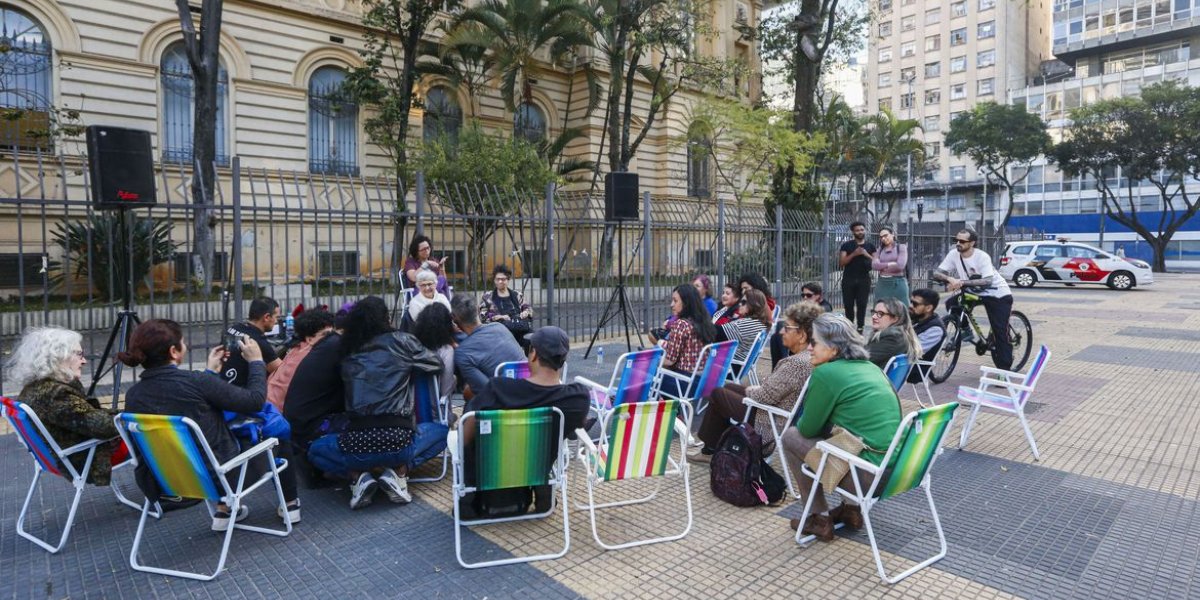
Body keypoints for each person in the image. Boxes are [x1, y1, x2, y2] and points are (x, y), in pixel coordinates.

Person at [120, 319, 301, 529]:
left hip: (168, 482)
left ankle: (224, 512)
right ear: (174, 351)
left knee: (208, 440)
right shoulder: (196, 382)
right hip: (221, 478)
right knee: (276, 432)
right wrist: (257, 362)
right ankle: (290, 505)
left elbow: (186, 400)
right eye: (183, 342)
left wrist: (210, 373)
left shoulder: (134, 396)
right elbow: (254, 400)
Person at [307, 297, 447, 510]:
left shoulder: (348, 350)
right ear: (386, 317)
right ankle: (399, 472)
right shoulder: (403, 341)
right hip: (399, 440)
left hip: (356, 443)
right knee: (442, 432)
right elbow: (435, 364)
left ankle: (359, 477)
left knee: (316, 450)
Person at [782, 314, 902, 541]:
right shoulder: (871, 367)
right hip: (900, 472)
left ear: (835, 349)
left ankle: (818, 518)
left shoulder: (826, 373)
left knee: (790, 437)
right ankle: (851, 510)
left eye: (814, 342)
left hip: (868, 479)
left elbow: (807, 429)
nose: (809, 348)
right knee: (840, 436)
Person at [458, 326, 590, 519]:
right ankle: (544, 494)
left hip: (489, 478)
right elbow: (577, 426)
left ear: (533, 354)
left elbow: (466, 435)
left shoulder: (499, 389)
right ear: (563, 358)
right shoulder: (577, 398)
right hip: (535, 470)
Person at [691, 302, 822, 460]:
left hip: (768, 421)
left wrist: (752, 389)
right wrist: (754, 389)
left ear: (801, 336)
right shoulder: (808, 358)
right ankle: (715, 446)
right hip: (772, 411)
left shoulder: (796, 364)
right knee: (727, 387)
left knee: (718, 393)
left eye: (787, 328)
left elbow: (763, 396)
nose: (781, 332)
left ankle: (710, 450)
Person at [5, 327, 125, 486]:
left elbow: (87, 418)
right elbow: (104, 427)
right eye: (79, 355)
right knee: (147, 438)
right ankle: (161, 494)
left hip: (55, 457)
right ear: (58, 357)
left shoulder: (34, 388)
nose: (84, 361)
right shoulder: (56, 395)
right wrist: (129, 415)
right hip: (85, 460)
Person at [933, 228, 1015, 370]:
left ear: (972, 243)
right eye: (956, 240)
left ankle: (1004, 370)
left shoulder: (982, 257)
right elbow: (937, 273)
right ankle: (965, 329)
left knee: (1000, 331)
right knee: (952, 304)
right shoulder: (954, 254)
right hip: (974, 292)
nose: (958, 243)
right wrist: (949, 278)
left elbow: (988, 281)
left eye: (962, 241)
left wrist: (962, 282)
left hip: (998, 294)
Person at [284, 325, 344, 453]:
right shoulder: (338, 347)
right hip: (307, 431)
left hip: (293, 426)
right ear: (309, 338)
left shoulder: (317, 349)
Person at [451, 295, 526, 399]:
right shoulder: (499, 327)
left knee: (468, 397)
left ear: (455, 319)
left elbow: (485, 391)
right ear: (478, 309)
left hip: (503, 407)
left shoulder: (462, 353)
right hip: (529, 395)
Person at [267, 308, 335, 411]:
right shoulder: (312, 357)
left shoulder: (296, 350)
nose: (332, 339)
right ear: (309, 339)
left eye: (332, 334)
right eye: (326, 335)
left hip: (269, 409)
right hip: (280, 417)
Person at [658, 284, 719, 397]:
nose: (671, 305)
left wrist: (650, 361)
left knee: (645, 375)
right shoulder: (704, 322)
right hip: (702, 382)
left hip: (684, 384)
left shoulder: (682, 324)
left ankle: (670, 410)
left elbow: (669, 361)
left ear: (686, 303)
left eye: (675, 301)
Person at [223, 296, 283, 386]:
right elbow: (284, 372)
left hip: (221, 387)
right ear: (266, 317)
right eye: (276, 317)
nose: (276, 322)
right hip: (241, 395)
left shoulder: (233, 329)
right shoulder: (257, 342)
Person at [478, 264, 534, 350]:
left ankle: (529, 362)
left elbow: (528, 309)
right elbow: (483, 317)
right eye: (498, 279)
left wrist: (526, 312)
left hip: (519, 328)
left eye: (503, 279)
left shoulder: (517, 295)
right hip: (499, 333)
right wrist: (498, 317)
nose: (500, 281)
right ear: (494, 280)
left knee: (533, 339)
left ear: (508, 280)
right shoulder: (487, 297)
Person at [413, 302, 458, 399]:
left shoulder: (413, 347)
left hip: (414, 405)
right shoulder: (446, 351)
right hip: (437, 408)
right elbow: (445, 390)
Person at [716, 288, 772, 366]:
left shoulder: (747, 324)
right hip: (738, 364)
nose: (739, 304)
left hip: (728, 366)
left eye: (743, 302)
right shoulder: (758, 322)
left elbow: (715, 333)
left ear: (753, 304)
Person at [865, 297, 923, 369]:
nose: (874, 316)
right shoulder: (901, 334)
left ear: (895, 318)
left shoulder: (892, 337)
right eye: (874, 312)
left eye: (880, 313)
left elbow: (862, 359)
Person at [839, 221, 876, 330]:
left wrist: (866, 254)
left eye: (862, 229)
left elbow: (877, 262)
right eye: (857, 230)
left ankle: (860, 327)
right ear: (853, 232)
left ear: (865, 230)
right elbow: (841, 263)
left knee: (862, 304)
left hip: (864, 279)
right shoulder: (846, 245)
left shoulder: (870, 246)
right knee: (848, 304)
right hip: (848, 278)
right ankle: (849, 327)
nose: (860, 232)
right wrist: (854, 254)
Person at [908, 288, 945, 383]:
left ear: (929, 308)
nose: (910, 306)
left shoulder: (936, 329)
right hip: (898, 361)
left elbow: (913, 351)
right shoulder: (915, 318)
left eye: (915, 304)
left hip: (913, 369)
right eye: (910, 302)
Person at [871, 226, 909, 303]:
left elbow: (900, 266)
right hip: (882, 283)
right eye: (881, 237)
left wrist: (881, 266)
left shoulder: (901, 247)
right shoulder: (880, 250)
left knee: (901, 309)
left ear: (892, 235)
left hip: (897, 283)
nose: (883, 239)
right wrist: (890, 264)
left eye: (885, 235)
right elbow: (874, 265)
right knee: (880, 308)